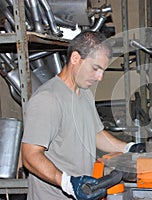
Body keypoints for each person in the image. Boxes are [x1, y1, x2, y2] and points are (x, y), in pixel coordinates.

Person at [21, 31, 143, 200]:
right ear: (76, 58)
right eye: (95, 68)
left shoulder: (84, 94)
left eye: (102, 70)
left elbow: (96, 134)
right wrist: (66, 183)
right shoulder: (48, 98)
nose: (100, 77)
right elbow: (30, 156)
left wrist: (128, 148)